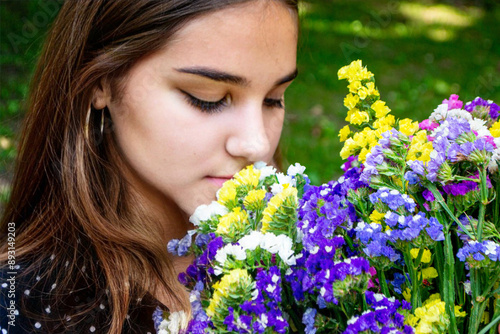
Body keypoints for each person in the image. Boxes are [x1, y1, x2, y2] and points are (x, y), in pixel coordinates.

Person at [0, 0, 298, 332]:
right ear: (102, 82)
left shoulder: (310, 264)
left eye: (274, 98)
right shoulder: (22, 305)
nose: (257, 143)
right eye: (207, 97)